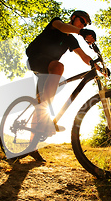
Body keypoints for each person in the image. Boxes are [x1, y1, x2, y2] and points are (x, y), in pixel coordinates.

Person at [24, 10, 98, 162]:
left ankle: (32, 147)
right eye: (82, 21)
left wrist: (97, 67)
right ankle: (45, 117)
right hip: (36, 59)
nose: (83, 24)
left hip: (48, 69)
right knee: (59, 67)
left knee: (40, 105)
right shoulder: (57, 24)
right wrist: (82, 32)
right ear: (73, 18)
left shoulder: (71, 40)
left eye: (85, 24)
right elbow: (63, 27)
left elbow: (84, 56)